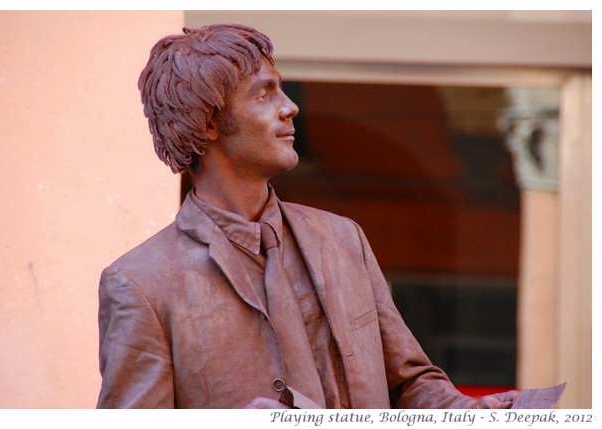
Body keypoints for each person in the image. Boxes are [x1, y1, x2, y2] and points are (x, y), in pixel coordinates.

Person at [96, 23, 520, 409]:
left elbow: (408, 385)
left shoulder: (342, 238)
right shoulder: (140, 284)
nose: (290, 107)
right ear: (207, 122)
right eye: (264, 94)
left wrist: (479, 414)